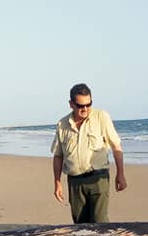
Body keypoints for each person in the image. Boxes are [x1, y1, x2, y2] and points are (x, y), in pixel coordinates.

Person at [51, 83, 127, 223]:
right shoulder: (62, 124)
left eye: (88, 104)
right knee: (80, 226)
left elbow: (116, 146)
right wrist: (57, 183)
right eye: (80, 106)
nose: (85, 109)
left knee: (100, 223)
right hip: (75, 182)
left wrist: (120, 174)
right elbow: (58, 155)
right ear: (71, 104)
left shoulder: (101, 117)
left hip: (98, 179)